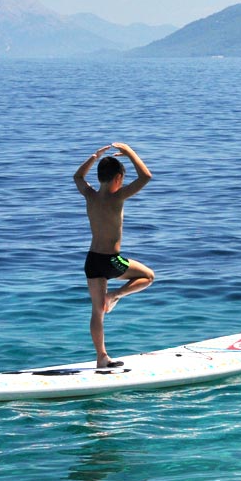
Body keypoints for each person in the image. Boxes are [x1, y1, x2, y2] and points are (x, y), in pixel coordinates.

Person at [73, 142, 155, 369]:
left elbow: (78, 177)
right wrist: (129, 152)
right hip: (111, 261)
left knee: (97, 312)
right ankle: (115, 295)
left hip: (91, 260)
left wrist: (93, 156)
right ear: (118, 178)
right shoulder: (117, 197)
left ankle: (102, 357)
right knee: (148, 277)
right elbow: (145, 176)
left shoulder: (90, 195)